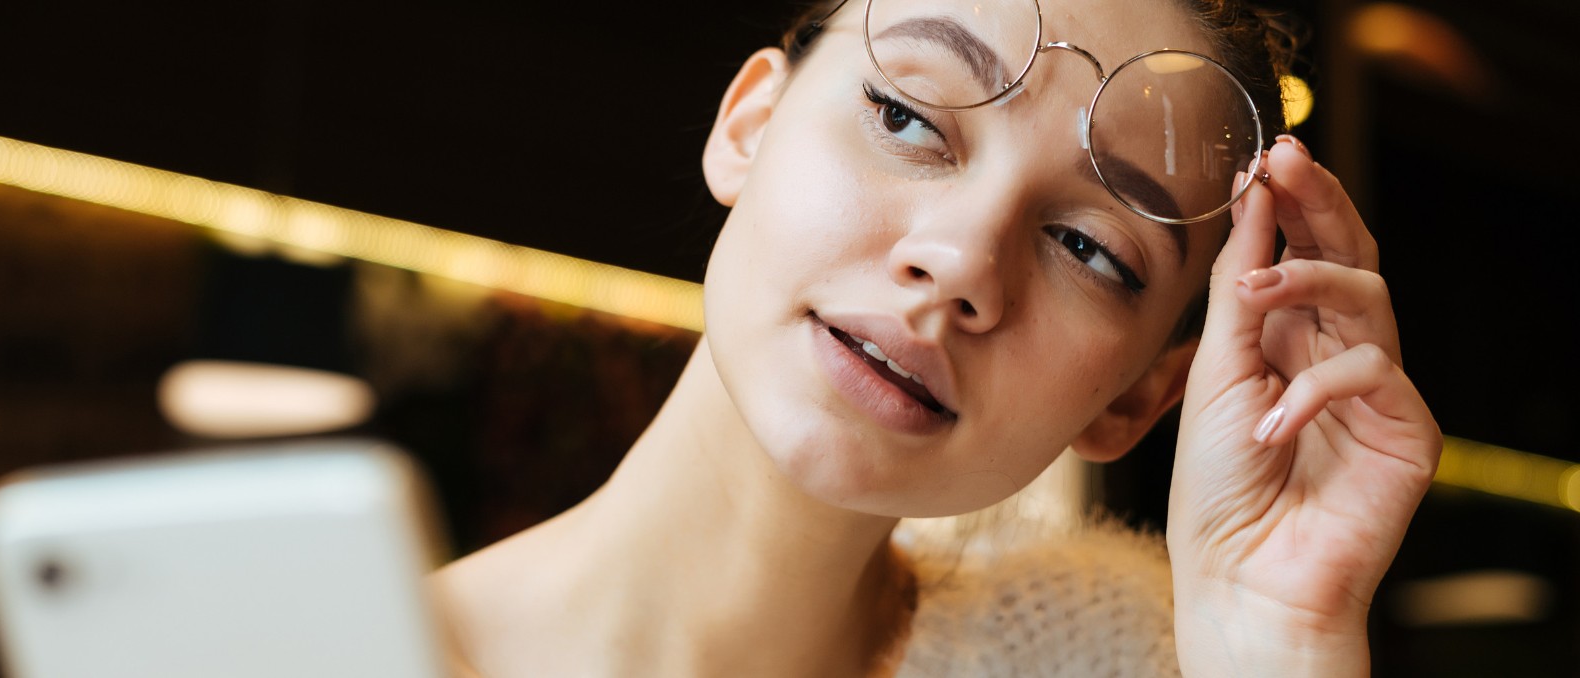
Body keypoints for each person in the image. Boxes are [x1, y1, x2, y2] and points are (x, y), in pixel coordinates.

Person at [432, 0, 1441, 675]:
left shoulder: (1121, 658)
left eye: (1091, 250)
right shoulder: (300, 638)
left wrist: (1277, 641)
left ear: (1136, 397)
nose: (961, 261)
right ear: (750, 124)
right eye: (907, 116)